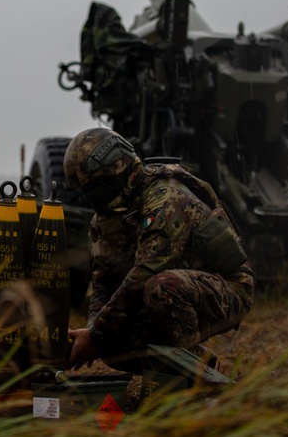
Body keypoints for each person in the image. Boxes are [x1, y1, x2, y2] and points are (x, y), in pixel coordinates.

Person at [64, 127, 254, 373]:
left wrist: (97, 334)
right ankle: (200, 367)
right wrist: (95, 333)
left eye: (92, 188)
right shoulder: (107, 218)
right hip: (177, 286)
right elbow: (103, 282)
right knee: (113, 347)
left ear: (113, 174)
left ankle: (196, 383)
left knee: (162, 287)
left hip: (230, 289)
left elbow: (145, 274)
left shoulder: (166, 196)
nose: (89, 198)